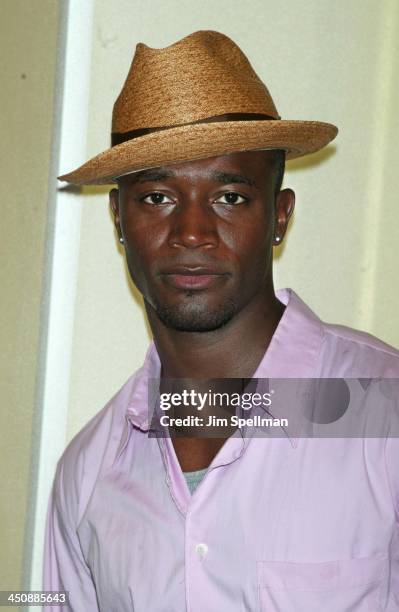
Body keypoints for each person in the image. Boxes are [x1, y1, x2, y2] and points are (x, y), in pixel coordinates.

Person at [43, 31, 399, 611]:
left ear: (280, 216)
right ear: (117, 218)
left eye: (230, 197)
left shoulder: (382, 410)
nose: (191, 232)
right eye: (157, 197)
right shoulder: (88, 473)